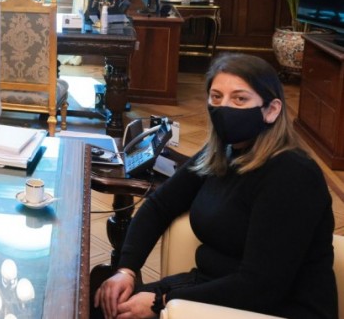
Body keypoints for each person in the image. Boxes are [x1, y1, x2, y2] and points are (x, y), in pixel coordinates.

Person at [93, 53, 336, 319]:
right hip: (212, 291)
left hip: (274, 309)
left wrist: (160, 302)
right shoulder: (224, 152)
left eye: (240, 99)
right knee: (99, 306)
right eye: (217, 97)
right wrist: (126, 270)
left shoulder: (292, 175)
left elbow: (260, 287)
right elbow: (160, 205)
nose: (225, 107)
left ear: (272, 109)